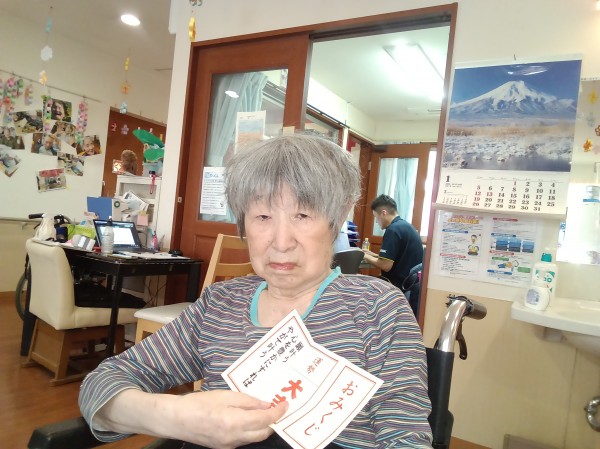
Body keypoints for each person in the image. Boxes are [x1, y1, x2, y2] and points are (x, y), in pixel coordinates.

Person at [79, 135, 432, 449]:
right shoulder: (219, 304)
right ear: (243, 224)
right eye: (262, 217)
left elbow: (406, 438)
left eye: (303, 215)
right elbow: (100, 384)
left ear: (334, 222)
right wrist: (178, 417)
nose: (281, 241)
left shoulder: (377, 308)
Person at [362, 195, 424, 292]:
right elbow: (397, 258)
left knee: (362, 285)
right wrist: (372, 255)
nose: (376, 222)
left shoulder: (392, 230)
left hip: (398, 286)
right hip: (410, 284)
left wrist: (363, 255)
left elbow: (386, 266)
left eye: (376, 217)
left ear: (384, 213)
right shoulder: (405, 226)